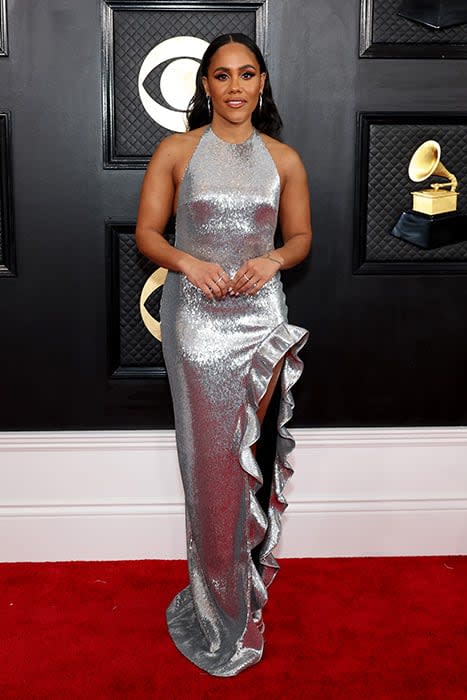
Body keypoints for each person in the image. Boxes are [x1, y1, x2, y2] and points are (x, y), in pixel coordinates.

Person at [135, 32, 312, 677]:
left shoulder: (284, 159)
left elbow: (300, 237)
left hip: (261, 319)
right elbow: (148, 232)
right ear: (204, 85)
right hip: (198, 326)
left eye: (246, 74)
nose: (235, 87)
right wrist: (188, 262)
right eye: (221, 75)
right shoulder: (177, 151)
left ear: (262, 83)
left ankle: (248, 589)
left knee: (254, 458)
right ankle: (216, 606)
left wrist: (272, 259)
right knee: (209, 466)